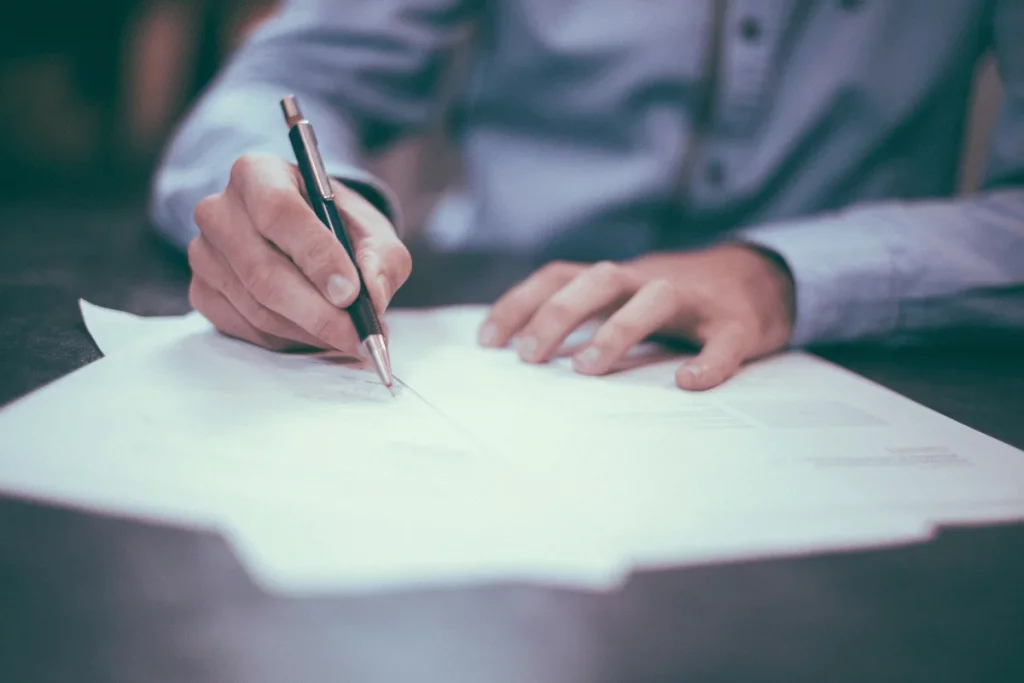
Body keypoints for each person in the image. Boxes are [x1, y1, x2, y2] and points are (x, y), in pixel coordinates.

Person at [151, 0, 1024, 391]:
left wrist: (782, 274)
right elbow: (282, 81)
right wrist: (287, 208)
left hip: (869, 360)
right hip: (495, 330)